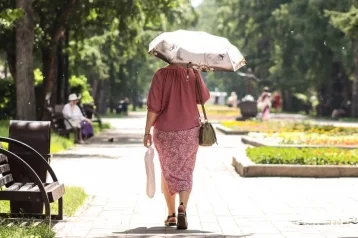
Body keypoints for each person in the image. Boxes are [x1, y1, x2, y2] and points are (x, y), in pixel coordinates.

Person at [143, 64, 210, 230]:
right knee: (186, 171)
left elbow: (153, 107)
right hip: (189, 130)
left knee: (167, 170)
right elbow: (203, 97)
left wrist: (147, 131)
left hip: (164, 132)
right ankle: (183, 208)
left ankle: (172, 215)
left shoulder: (160, 74)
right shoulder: (193, 73)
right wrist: (197, 75)